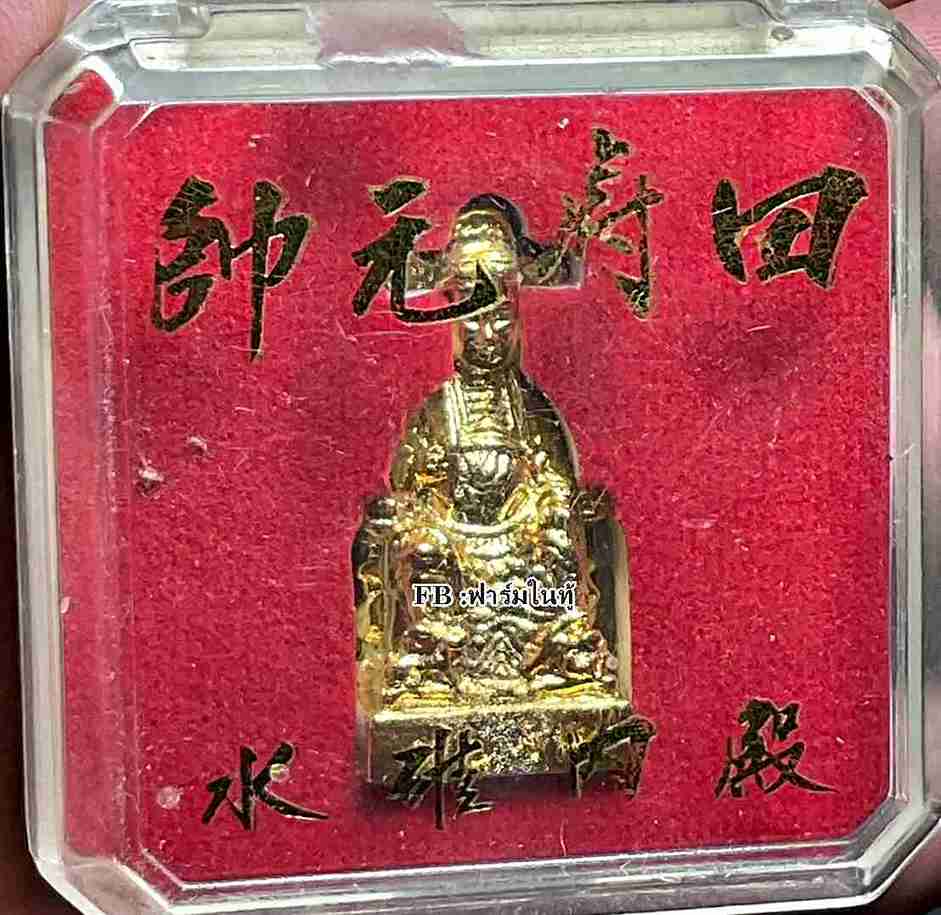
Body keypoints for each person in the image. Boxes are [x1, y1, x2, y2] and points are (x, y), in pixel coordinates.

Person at [0, 1, 938, 913]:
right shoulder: (432, 413)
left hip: (524, 583)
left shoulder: (535, 411)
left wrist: (538, 520)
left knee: (561, 579)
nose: (487, 334)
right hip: (455, 577)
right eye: (473, 316)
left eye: (499, 316)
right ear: (453, 321)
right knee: (421, 575)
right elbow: (412, 502)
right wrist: (430, 526)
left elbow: (557, 495)